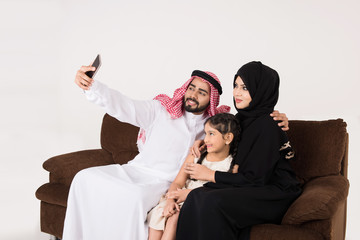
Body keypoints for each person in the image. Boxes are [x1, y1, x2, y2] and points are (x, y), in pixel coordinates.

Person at [62, 62, 288, 240]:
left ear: (211, 99)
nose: (193, 95)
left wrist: (281, 119)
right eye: (191, 88)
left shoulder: (215, 125)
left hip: (166, 181)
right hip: (137, 169)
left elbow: (253, 135)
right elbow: (123, 105)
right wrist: (92, 87)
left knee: (133, 198)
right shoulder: (159, 110)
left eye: (202, 92)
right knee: (84, 178)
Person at [176, 61, 302, 240]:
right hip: (247, 184)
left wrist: (210, 175)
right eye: (236, 85)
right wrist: (203, 142)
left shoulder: (269, 125)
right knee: (198, 196)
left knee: (210, 200)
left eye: (245, 87)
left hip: (272, 192)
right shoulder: (240, 120)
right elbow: (225, 140)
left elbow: (255, 179)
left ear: (261, 91)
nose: (236, 92)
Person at [147, 113, 241, 240]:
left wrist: (187, 195)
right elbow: (178, 183)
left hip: (196, 202)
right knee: (161, 214)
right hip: (176, 198)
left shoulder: (230, 166)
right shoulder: (196, 155)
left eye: (211, 134)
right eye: (206, 133)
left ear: (228, 138)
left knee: (174, 218)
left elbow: (220, 193)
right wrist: (170, 201)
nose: (206, 139)